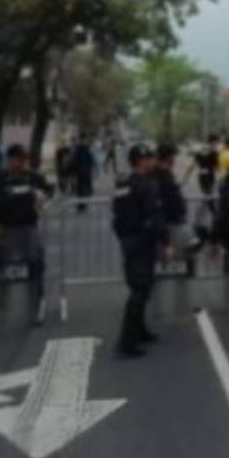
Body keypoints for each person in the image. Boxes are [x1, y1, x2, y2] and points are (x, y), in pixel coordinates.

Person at [0, 144, 55, 324]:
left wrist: (42, 198)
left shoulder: (32, 177)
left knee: (34, 266)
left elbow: (49, 189)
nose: (20, 164)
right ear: (10, 160)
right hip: (4, 229)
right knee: (1, 268)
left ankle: (36, 308)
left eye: (23, 160)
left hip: (27, 227)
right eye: (17, 160)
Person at [111, 143, 170, 357]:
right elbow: (154, 216)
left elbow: (116, 214)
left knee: (140, 286)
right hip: (143, 241)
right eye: (150, 158)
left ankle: (140, 330)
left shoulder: (122, 183)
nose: (153, 161)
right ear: (142, 161)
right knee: (140, 289)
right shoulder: (147, 185)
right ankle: (127, 342)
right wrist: (166, 241)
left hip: (128, 239)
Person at [154, 143, 188, 265]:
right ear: (167, 157)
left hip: (171, 217)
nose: (174, 160)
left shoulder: (166, 173)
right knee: (166, 246)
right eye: (172, 157)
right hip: (164, 218)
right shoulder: (158, 175)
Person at [72, 136, 97, 212]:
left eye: (83, 140)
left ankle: (83, 204)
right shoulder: (79, 151)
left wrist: (91, 167)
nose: (83, 142)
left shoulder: (85, 150)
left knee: (84, 189)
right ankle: (81, 205)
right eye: (82, 140)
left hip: (85, 172)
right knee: (81, 189)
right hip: (81, 173)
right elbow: (75, 162)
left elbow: (91, 160)